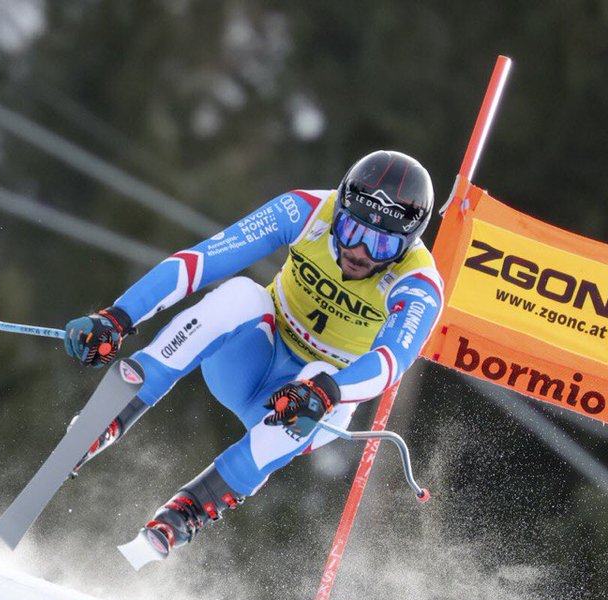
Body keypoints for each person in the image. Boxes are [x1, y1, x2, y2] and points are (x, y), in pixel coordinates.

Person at [62, 150, 444, 564]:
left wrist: (328, 390)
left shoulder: (419, 282)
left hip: (305, 404)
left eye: (381, 242)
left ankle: (188, 510)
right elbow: (202, 260)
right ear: (340, 210)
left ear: (406, 244)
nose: (359, 250)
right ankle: (108, 417)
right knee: (241, 293)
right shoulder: (308, 210)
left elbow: (391, 362)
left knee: (318, 376)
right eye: (351, 228)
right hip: (249, 358)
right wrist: (118, 316)